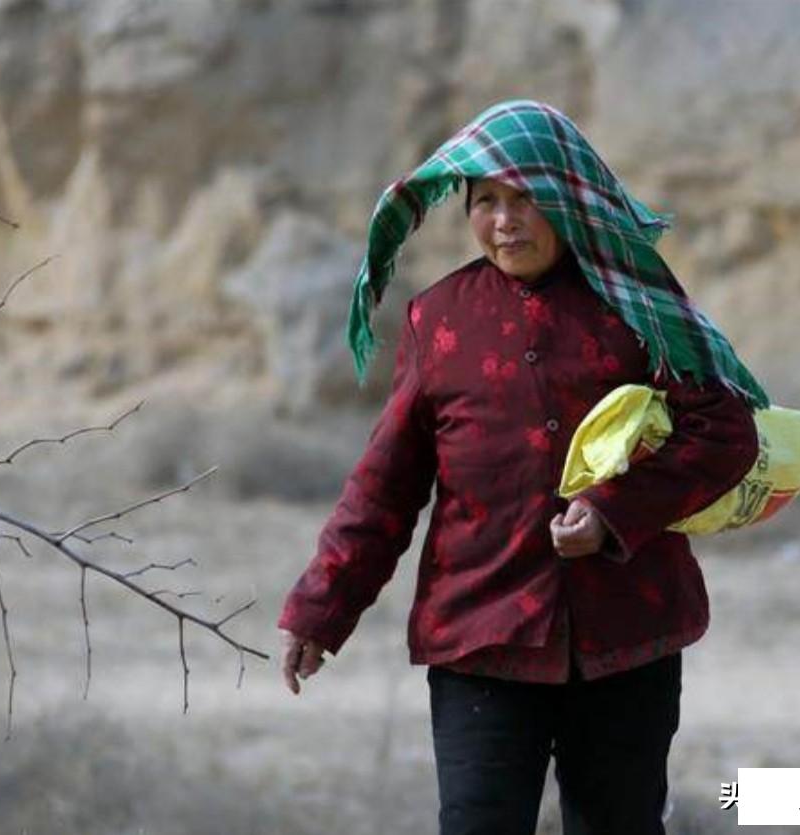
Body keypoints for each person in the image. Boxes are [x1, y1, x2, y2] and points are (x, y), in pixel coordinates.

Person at [278, 100, 766, 835]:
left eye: (526, 199)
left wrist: (612, 511)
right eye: (486, 203)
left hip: (627, 634)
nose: (505, 221)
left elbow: (725, 431)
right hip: (481, 638)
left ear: (568, 198)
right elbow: (386, 484)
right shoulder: (439, 319)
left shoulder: (637, 305)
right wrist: (322, 606)